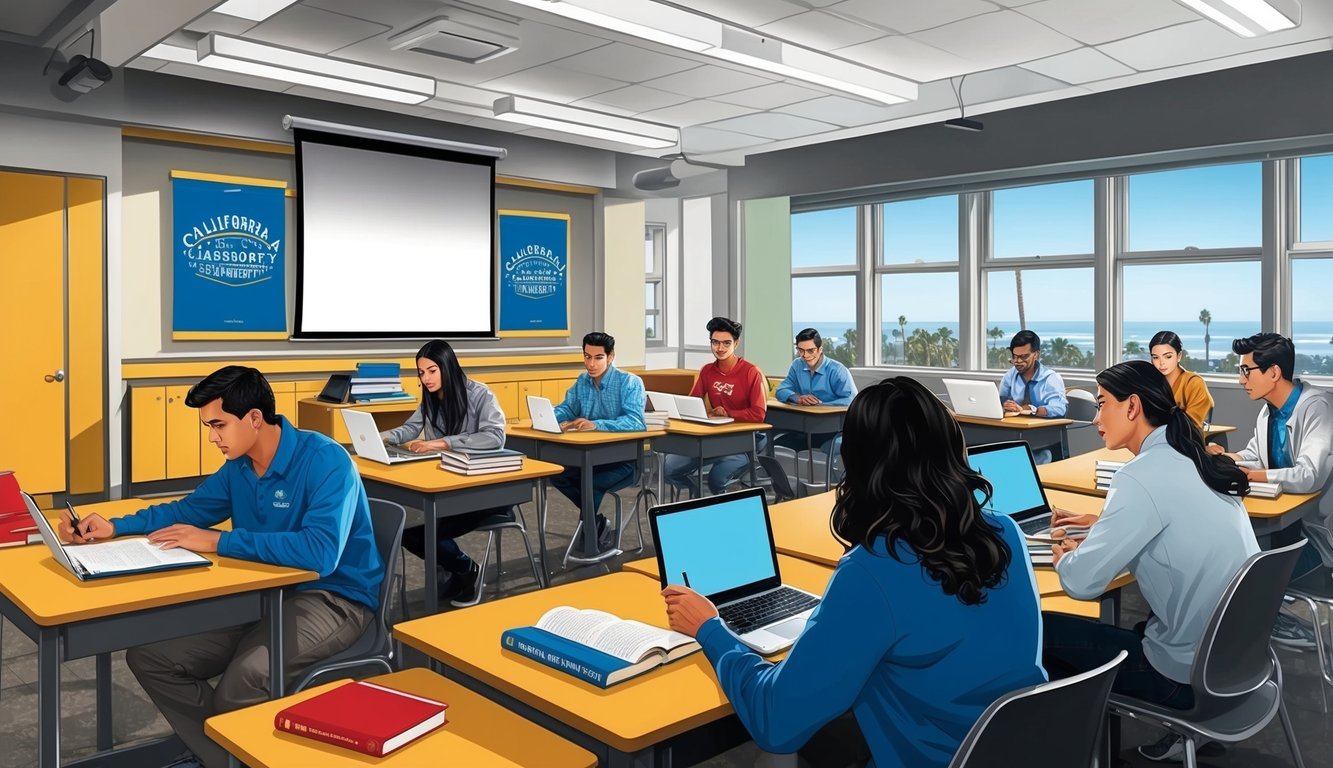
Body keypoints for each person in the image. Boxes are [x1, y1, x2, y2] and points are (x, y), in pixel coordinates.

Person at [660, 377, 1046, 768]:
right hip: (1016, 748)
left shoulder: (873, 572)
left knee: (776, 754)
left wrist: (710, 628)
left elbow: (776, 722)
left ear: (858, 463)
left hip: (934, 757)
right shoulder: (1006, 532)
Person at [60, 366, 383, 768]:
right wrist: (115, 526)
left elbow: (320, 554)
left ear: (253, 418)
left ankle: (235, 752)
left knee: (242, 681)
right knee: (151, 659)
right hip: (262, 595)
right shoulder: (240, 466)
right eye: (208, 426)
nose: (212, 436)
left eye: (218, 425)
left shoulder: (325, 460)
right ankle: (224, 757)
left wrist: (219, 540)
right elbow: (188, 510)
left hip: (334, 598)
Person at [1046, 360, 1257, 763]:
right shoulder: (1194, 459)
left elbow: (1081, 584)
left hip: (1185, 678)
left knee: (1040, 631)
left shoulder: (1138, 476)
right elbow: (1175, 520)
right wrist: (1106, 525)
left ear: (1132, 407)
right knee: (1138, 626)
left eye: (1102, 404)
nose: (1095, 419)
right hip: (1235, 667)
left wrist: (1064, 557)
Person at [1208, 332, 1333, 650]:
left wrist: (1253, 474)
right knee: (1220, 551)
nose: (1240, 380)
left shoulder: (1317, 408)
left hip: (1315, 544)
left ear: (1274, 373)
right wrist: (1225, 458)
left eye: (1246, 370)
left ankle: (1268, 629)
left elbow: (1310, 476)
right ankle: (1259, 625)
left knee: (1235, 567)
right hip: (1284, 531)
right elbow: (1252, 456)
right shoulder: (1269, 412)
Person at [381, 339, 507, 607]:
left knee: (423, 532)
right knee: (407, 530)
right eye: (421, 373)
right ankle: (462, 568)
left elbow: (495, 436)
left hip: (481, 491)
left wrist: (442, 442)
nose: (425, 378)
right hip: (446, 488)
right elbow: (410, 429)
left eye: (431, 371)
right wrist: (381, 437)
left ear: (447, 367)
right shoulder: (431, 398)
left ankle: (465, 571)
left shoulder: (480, 395)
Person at [549, 331, 647, 557]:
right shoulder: (582, 381)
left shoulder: (630, 382)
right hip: (590, 458)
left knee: (589, 484)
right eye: (587, 357)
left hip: (624, 462)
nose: (591, 364)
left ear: (610, 357)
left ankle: (591, 541)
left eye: (598, 357)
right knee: (558, 474)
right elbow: (567, 407)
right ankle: (597, 523)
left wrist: (596, 424)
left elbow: (635, 421)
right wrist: (554, 417)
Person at [663, 317, 768, 496]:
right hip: (714, 437)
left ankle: (720, 508)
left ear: (736, 343)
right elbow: (693, 402)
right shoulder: (707, 371)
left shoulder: (751, 372)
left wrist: (728, 413)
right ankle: (697, 496)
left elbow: (759, 414)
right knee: (669, 468)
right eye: (715, 342)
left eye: (726, 343)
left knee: (716, 479)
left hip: (743, 440)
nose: (720, 348)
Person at [772, 327, 857, 457]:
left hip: (831, 431)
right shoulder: (797, 365)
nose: (805, 356)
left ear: (820, 349)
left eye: (810, 350)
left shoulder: (838, 370)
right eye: (801, 350)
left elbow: (851, 400)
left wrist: (820, 405)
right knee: (774, 441)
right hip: (804, 429)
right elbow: (781, 390)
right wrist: (798, 398)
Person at [997, 329, 1068, 463]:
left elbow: (1059, 408)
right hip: (1012, 430)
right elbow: (999, 402)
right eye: (1014, 356)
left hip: (1041, 434)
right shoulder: (1010, 375)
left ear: (1036, 355)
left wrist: (1030, 410)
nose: (1017, 361)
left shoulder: (1051, 378)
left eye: (1023, 357)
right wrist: (1004, 406)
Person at [1149, 330, 1213, 429]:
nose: (1161, 363)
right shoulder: (1149, 383)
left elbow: (1191, 426)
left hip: (1185, 441)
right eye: (1156, 357)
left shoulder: (1194, 383)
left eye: (1168, 357)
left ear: (1179, 356)